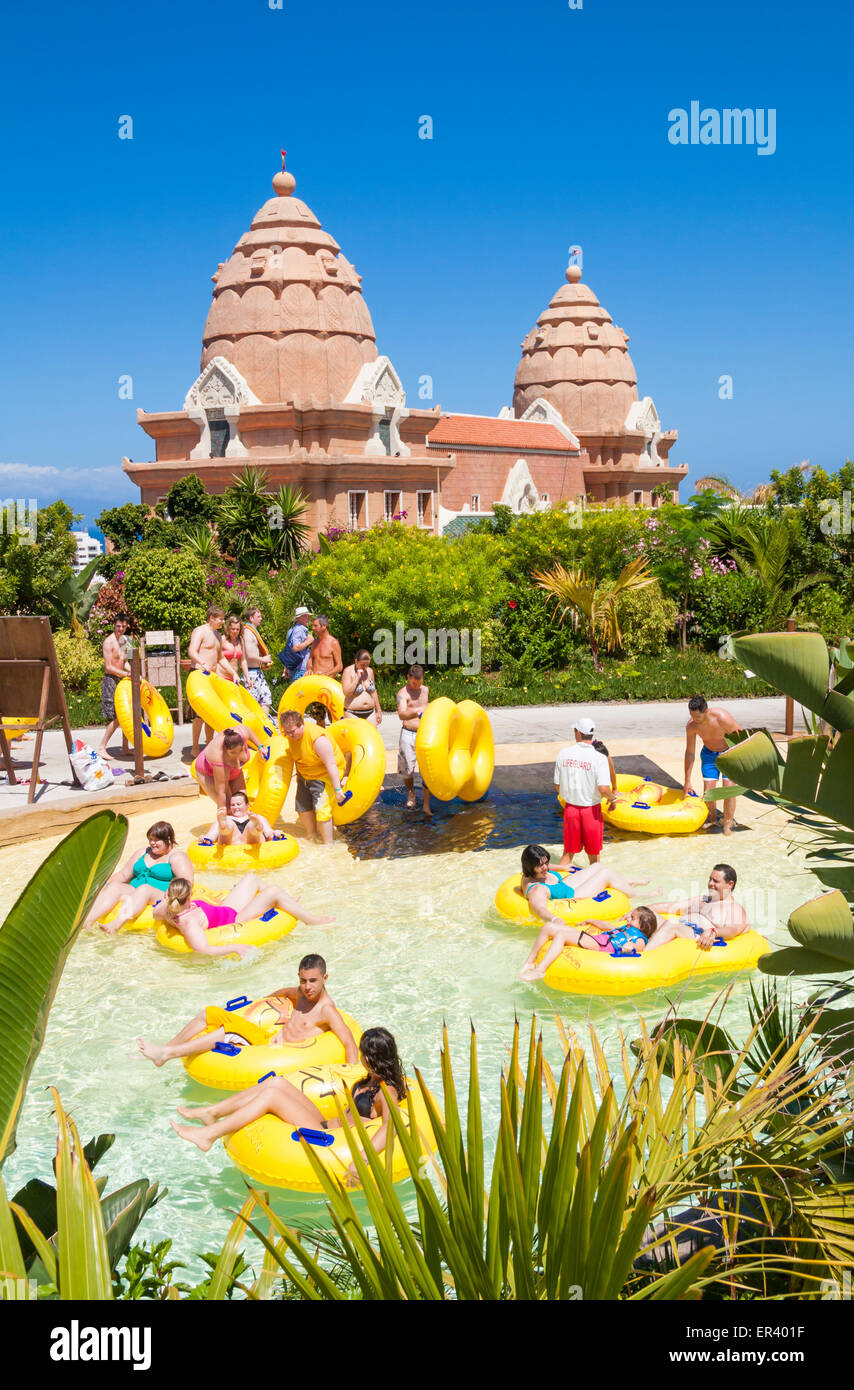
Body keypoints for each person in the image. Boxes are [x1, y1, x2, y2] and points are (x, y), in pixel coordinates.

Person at [170, 1025, 406, 1185]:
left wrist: (363, 1158)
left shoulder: (387, 1090)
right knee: (277, 1083)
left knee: (272, 1097)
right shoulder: (370, 1081)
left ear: (372, 1057)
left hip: (326, 1136)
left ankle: (209, 1135)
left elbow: (391, 1125)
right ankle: (212, 1112)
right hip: (324, 1123)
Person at [138, 953, 357, 1067]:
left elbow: (348, 1041)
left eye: (312, 981)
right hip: (269, 1038)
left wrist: (349, 1078)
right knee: (210, 1013)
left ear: (325, 978)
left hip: (278, 1053)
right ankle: (164, 1049)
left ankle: (167, 1055)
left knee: (230, 1031)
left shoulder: (326, 1010)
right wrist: (263, 1002)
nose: (307, 987)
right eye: (303, 980)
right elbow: (284, 992)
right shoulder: (300, 992)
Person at [516, 844, 654, 981]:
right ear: (530, 866)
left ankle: (628, 882)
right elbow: (540, 909)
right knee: (605, 875)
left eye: (546, 862)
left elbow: (546, 866)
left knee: (598, 867)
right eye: (541, 865)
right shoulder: (536, 890)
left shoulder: (537, 870)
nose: (545, 867)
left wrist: (563, 868)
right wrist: (554, 919)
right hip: (573, 894)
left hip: (565, 885)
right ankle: (638, 894)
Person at [151, 873, 335, 959]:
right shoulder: (189, 922)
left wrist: (165, 902)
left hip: (226, 909)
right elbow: (203, 949)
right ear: (188, 896)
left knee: (251, 878)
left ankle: (286, 902)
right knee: (274, 891)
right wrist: (235, 948)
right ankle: (311, 920)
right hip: (236, 919)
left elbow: (156, 913)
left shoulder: (168, 909)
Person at [84, 821, 193, 932]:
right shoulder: (143, 852)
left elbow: (187, 881)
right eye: (150, 839)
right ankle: (87, 922)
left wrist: (171, 892)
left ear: (168, 839)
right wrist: (105, 886)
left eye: (156, 840)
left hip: (160, 894)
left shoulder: (177, 857)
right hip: (135, 891)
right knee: (115, 886)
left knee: (144, 889)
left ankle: (116, 925)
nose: (152, 843)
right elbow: (123, 874)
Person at [554, 718, 620, 868]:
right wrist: (613, 799)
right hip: (591, 810)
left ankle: (557, 886)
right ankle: (594, 887)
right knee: (594, 858)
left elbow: (557, 786)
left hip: (571, 809)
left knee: (568, 853)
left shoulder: (564, 754)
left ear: (578, 733)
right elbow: (603, 789)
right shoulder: (599, 758)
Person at [279, 707, 350, 844]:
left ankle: (328, 844)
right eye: (286, 732)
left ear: (301, 725)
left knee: (322, 809)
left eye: (292, 732)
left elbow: (331, 765)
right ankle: (312, 835)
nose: (289, 735)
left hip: (323, 775)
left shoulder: (318, 740)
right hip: (305, 774)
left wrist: (337, 790)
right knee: (302, 808)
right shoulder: (290, 735)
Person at [648, 863, 750, 949]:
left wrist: (713, 931)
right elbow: (670, 907)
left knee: (673, 923)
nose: (710, 883)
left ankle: (644, 955)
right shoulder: (703, 899)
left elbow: (731, 930)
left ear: (730, 884)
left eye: (716, 881)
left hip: (696, 934)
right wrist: (642, 910)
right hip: (682, 926)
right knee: (648, 914)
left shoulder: (734, 908)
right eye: (710, 879)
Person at [684, 695, 743, 835]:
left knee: (728, 789)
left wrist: (742, 763)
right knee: (709, 791)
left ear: (706, 711)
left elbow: (741, 738)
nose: (694, 720)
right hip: (709, 755)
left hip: (728, 754)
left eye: (697, 717)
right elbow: (690, 752)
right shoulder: (691, 726)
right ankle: (712, 820)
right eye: (691, 715)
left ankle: (728, 823)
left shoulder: (722, 718)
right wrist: (687, 781)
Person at [195, 725, 265, 810]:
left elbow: (248, 730)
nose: (237, 756)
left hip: (233, 771)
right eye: (233, 753)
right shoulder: (217, 756)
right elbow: (221, 792)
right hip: (208, 772)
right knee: (229, 807)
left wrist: (260, 746)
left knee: (243, 804)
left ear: (243, 744)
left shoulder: (241, 733)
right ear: (225, 749)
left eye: (240, 751)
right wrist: (222, 813)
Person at [188, 606, 225, 757]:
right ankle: (195, 747)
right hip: (199, 675)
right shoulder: (200, 631)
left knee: (210, 714)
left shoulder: (217, 635)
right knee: (199, 716)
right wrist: (202, 663)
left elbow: (221, 658)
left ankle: (210, 745)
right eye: (221, 619)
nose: (223, 621)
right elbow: (192, 651)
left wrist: (233, 673)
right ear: (212, 618)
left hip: (211, 677)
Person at [396, 664, 431, 814]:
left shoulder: (426, 690)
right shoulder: (402, 693)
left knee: (427, 769)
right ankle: (411, 792)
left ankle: (426, 805)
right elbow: (401, 714)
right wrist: (417, 712)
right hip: (408, 733)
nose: (417, 685)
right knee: (407, 771)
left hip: (424, 733)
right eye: (414, 682)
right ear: (408, 678)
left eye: (420, 681)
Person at [96, 614, 130, 758]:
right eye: (118, 626)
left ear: (126, 626)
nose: (120, 629)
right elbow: (109, 667)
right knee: (116, 717)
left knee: (127, 713)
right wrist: (125, 674)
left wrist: (133, 672)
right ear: (114, 625)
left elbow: (125, 662)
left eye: (123, 626)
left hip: (122, 679)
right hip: (111, 680)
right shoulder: (108, 642)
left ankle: (125, 747)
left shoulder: (126, 640)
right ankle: (101, 747)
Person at [201, 790, 277, 847]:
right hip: (231, 843)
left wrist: (275, 834)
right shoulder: (226, 818)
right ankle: (224, 827)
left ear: (247, 805)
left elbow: (269, 833)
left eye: (238, 804)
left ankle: (256, 827)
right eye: (233, 805)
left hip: (252, 842)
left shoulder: (258, 817)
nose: (235, 807)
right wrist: (206, 838)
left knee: (251, 826)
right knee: (228, 824)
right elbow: (211, 835)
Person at [243, 606, 273, 712]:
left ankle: (264, 724)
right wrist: (263, 659)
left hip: (257, 671)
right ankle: (254, 726)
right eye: (258, 616)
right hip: (251, 672)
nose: (261, 618)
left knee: (266, 699)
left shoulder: (253, 631)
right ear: (251, 618)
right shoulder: (247, 633)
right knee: (253, 702)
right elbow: (249, 655)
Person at [342, 649, 382, 724]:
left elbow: (374, 692)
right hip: (352, 712)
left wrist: (379, 711)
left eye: (367, 665)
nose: (365, 667)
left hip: (370, 712)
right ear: (356, 661)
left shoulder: (370, 671)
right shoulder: (348, 671)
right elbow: (346, 693)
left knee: (372, 735)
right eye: (362, 665)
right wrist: (357, 678)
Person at [278, 606, 313, 681]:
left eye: (308, 616)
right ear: (299, 618)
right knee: (301, 692)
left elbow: (289, 648)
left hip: (295, 667)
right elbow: (295, 648)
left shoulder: (292, 630)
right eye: (306, 616)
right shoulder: (299, 630)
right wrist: (308, 641)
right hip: (300, 669)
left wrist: (286, 667)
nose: (309, 618)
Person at [219, 615, 251, 686]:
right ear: (228, 628)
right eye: (233, 629)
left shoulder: (241, 640)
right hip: (222, 676)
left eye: (237, 629)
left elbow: (243, 661)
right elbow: (217, 659)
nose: (235, 631)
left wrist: (247, 678)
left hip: (234, 678)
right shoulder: (222, 639)